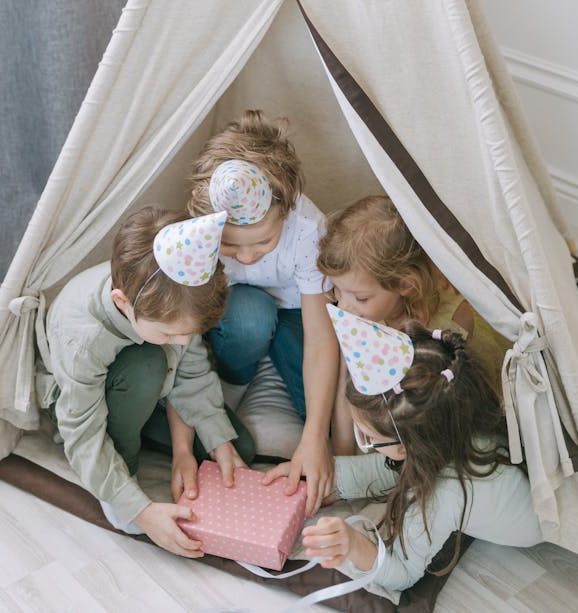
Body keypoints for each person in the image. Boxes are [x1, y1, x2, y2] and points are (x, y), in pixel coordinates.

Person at [35, 205, 255, 559]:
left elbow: (190, 372)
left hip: (150, 390)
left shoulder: (176, 306)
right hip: (87, 405)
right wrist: (140, 509)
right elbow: (82, 432)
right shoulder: (84, 338)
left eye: (189, 333)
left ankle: (155, 431)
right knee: (149, 363)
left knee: (236, 449)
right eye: (172, 333)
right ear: (122, 303)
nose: (184, 342)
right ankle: (122, 472)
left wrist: (192, 448)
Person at [274, 314, 542, 594]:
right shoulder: (453, 416)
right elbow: (390, 467)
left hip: (535, 525)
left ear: (405, 446)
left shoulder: (444, 492)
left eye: (368, 439)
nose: (366, 444)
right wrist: (328, 476)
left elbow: (401, 573)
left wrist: (354, 545)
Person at [186, 109, 339, 514]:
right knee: (252, 316)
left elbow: (322, 339)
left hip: (294, 312)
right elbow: (190, 322)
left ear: (286, 213)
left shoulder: (307, 229)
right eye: (232, 247)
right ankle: (236, 381)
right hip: (238, 314)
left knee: (323, 407)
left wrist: (313, 435)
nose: (248, 256)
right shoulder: (201, 232)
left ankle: (273, 366)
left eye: (263, 242)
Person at [317, 195, 510, 452]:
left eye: (360, 298)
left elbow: (444, 407)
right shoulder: (359, 315)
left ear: (405, 285)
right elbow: (349, 385)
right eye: (336, 291)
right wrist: (343, 451)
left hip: (448, 405)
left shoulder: (450, 322)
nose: (343, 306)